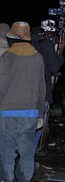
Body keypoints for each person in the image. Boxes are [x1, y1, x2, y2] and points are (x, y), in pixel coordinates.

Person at [0, 21, 46, 182]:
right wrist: (40, 114)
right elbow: (42, 89)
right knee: (27, 154)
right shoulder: (38, 57)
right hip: (31, 114)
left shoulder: (7, 57)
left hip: (8, 114)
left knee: (7, 153)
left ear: (12, 38)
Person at [31, 23, 65, 154]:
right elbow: (54, 67)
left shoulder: (26, 44)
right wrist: (60, 51)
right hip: (42, 92)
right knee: (38, 125)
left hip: (22, 93)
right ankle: (31, 154)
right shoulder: (46, 45)